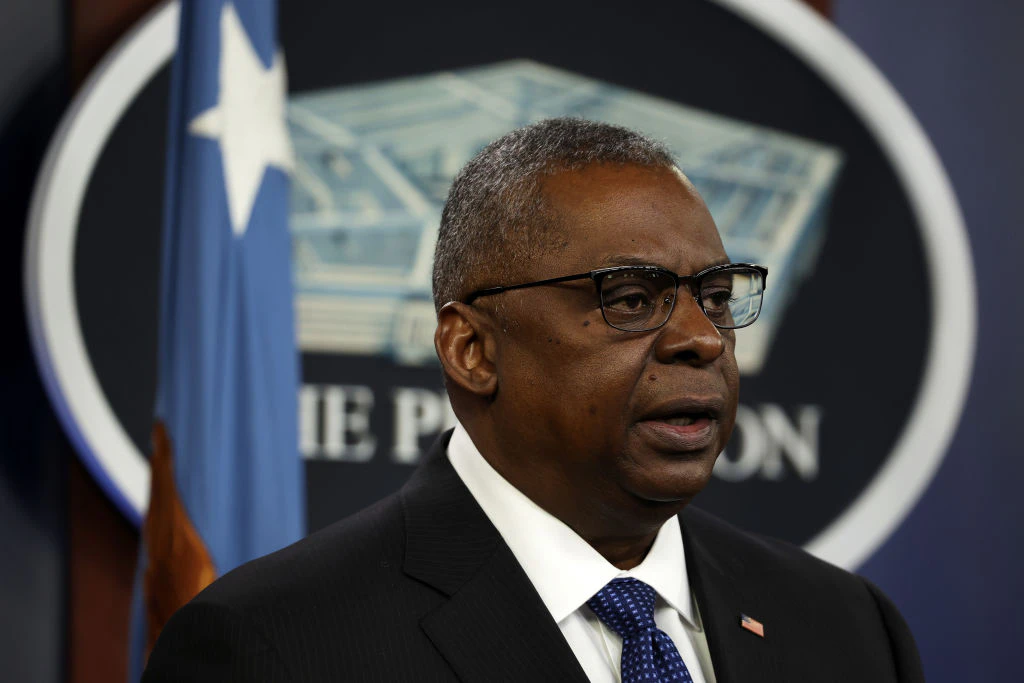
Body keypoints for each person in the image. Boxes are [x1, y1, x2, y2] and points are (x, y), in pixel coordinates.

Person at [142, 118, 924, 682]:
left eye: (715, 296)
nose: (703, 338)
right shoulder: (271, 647)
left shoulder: (850, 629)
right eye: (629, 297)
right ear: (472, 349)